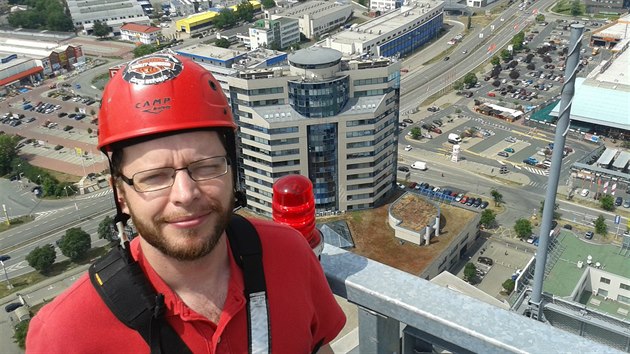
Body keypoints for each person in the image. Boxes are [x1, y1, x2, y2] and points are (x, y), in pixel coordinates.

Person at [26, 53, 346, 353]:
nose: (185, 193)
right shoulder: (64, 336)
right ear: (120, 194)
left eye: (206, 167)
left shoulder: (289, 254)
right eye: (154, 176)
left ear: (232, 172)